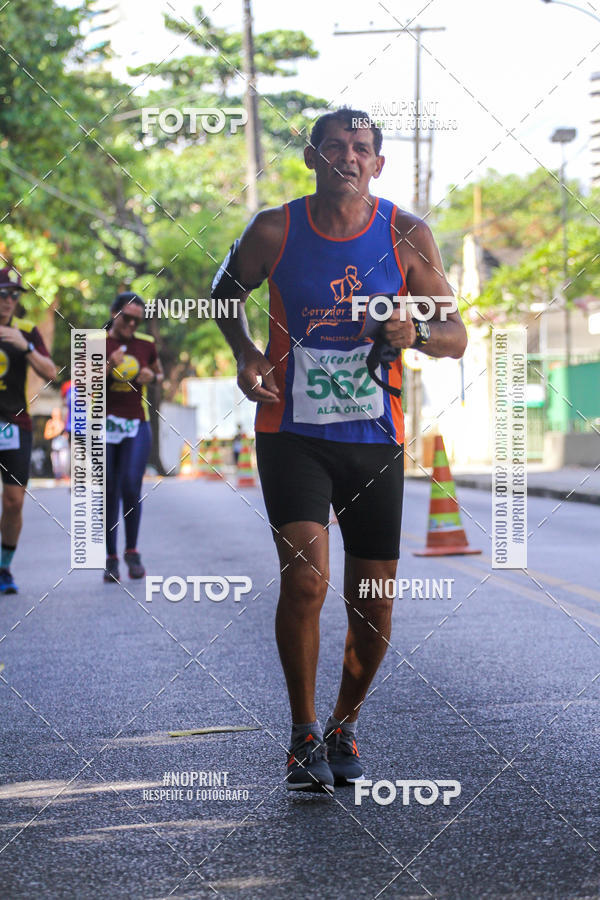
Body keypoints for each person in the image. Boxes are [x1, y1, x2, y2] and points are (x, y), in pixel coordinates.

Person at [214, 108, 467, 793]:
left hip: (373, 438)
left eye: (361, 148)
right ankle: (302, 735)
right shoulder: (275, 228)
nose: (347, 158)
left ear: (377, 164)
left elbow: (457, 335)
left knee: (373, 598)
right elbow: (223, 292)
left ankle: (343, 723)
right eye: (334, 147)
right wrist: (244, 355)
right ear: (312, 158)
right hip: (291, 432)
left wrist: (415, 331)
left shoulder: (407, 234)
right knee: (305, 580)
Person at [0, 266, 57, 593]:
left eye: (13, 295)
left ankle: (4, 568)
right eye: (3, 294)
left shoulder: (26, 330)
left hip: (14, 424)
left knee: (13, 502)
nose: (8, 301)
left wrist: (25, 347)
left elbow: (51, 372)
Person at [104, 292, 163, 583]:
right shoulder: (95, 343)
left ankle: (132, 550)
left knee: (130, 484)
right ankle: (111, 557)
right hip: (103, 424)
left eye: (136, 320)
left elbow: (158, 373)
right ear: (113, 313)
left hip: (136, 423)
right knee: (110, 489)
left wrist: (152, 376)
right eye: (126, 317)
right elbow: (82, 383)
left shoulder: (146, 344)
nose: (130, 324)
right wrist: (107, 366)